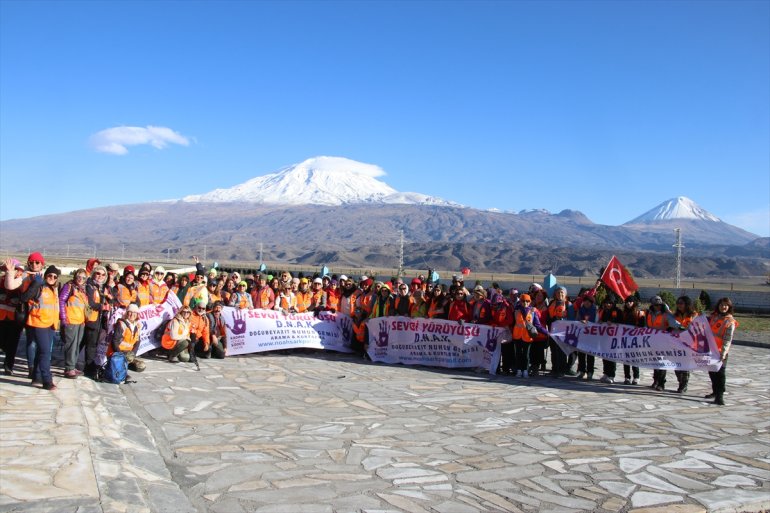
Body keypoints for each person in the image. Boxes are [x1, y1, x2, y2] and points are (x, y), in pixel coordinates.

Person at [21, 265, 61, 390]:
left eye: (55, 277)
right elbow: (24, 298)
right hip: (38, 323)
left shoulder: (52, 289)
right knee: (45, 352)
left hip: (50, 324)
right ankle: (47, 380)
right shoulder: (39, 287)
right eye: (50, 275)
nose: (52, 278)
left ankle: (36, 377)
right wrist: (35, 284)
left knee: (41, 352)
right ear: (45, 275)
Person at [59, 268, 88, 378]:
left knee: (77, 345)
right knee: (70, 344)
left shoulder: (82, 290)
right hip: (70, 320)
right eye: (79, 277)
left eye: (83, 278)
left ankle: (72, 366)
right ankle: (69, 368)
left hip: (80, 321)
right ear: (75, 276)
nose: (81, 279)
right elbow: (61, 300)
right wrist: (63, 317)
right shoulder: (69, 287)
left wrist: (84, 320)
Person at [707, 297, 737, 406]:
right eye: (721, 304)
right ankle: (715, 391)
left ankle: (720, 396)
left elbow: (728, 339)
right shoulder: (713, 317)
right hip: (710, 349)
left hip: (720, 351)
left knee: (720, 373)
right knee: (712, 372)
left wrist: (723, 353)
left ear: (729, 307)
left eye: (725, 305)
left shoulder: (730, 321)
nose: (723, 307)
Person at [511, 293, 548, 378]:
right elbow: (512, 322)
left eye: (527, 301)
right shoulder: (516, 310)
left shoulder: (533, 311)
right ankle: (519, 370)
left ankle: (525, 370)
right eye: (523, 301)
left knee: (526, 355)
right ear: (520, 301)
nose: (525, 303)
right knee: (518, 354)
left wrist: (546, 333)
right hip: (517, 336)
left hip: (528, 337)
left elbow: (537, 325)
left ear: (530, 302)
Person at [0, 259, 26, 375]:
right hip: (1, 316)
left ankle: (8, 366)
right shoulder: (1, 282)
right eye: (6, 269)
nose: (8, 271)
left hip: (15, 318)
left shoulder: (21, 284)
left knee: (12, 344)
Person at [646, 295, 677, 391]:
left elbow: (674, 325)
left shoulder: (666, 314)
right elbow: (646, 325)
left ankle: (661, 383)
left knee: (662, 362)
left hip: (663, 340)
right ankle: (655, 381)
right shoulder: (650, 313)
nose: (657, 306)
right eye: (655, 305)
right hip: (653, 340)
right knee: (655, 361)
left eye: (659, 304)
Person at [82, 265, 108, 378]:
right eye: (98, 273)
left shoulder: (100, 287)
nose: (100, 276)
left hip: (98, 319)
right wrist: (103, 306)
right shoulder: (90, 286)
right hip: (91, 319)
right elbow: (91, 303)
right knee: (90, 344)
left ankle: (88, 365)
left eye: (103, 274)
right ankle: (88, 367)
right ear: (93, 274)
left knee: (92, 343)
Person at [545, 287, 574, 378]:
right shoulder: (551, 303)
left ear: (565, 294)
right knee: (554, 351)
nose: (560, 294)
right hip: (553, 331)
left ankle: (561, 370)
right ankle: (554, 369)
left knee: (561, 351)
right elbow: (548, 317)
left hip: (563, 332)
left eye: (562, 292)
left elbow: (571, 319)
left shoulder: (568, 304)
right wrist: (552, 320)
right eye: (558, 292)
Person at [672, 295, 698, 393]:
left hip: (689, 344)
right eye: (678, 303)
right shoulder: (675, 315)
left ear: (687, 304)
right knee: (676, 365)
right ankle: (680, 381)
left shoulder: (693, 315)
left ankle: (684, 385)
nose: (679, 305)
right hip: (677, 343)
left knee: (685, 366)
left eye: (681, 303)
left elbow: (697, 328)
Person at [111, 303, 145, 372]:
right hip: (119, 352)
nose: (132, 314)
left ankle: (124, 367)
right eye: (130, 312)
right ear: (127, 313)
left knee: (141, 366)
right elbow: (114, 341)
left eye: (135, 312)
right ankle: (120, 367)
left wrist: (133, 354)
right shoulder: (121, 324)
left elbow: (137, 341)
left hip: (129, 354)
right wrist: (120, 355)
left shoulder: (137, 325)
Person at [619, 295, 644, 384]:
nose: (628, 304)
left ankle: (636, 377)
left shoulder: (639, 313)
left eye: (630, 302)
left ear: (634, 303)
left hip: (635, 339)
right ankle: (627, 377)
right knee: (625, 359)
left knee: (634, 358)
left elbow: (643, 325)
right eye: (627, 302)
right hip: (625, 338)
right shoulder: (624, 313)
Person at [598, 295, 621, 384]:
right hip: (604, 337)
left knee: (611, 357)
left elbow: (620, 323)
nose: (608, 304)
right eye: (606, 303)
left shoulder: (617, 311)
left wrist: (613, 323)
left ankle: (611, 375)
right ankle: (606, 373)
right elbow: (601, 320)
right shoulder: (604, 311)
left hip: (614, 338)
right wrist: (601, 322)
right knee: (605, 356)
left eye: (610, 303)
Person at [576, 295, 598, 380]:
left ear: (592, 303)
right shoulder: (580, 310)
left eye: (589, 301)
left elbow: (597, 322)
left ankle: (590, 371)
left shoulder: (595, 311)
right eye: (585, 301)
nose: (587, 303)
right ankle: (582, 371)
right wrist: (580, 322)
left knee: (590, 355)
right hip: (582, 336)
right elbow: (576, 320)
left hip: (591, 336)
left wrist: (589, 323)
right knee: (581, 354)